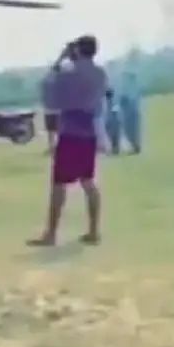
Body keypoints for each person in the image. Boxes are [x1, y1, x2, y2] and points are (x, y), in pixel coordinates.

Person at [29, 35, 107, 247]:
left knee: (59, 184)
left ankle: (51, 233)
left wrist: (59, 60)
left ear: (77, 50)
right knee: (88, 181)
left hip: (70, 131)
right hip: (89, 131)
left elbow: (48, 95)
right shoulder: (100, 74)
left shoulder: (67, 75)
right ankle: (93, 230)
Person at [118, 70, 143, 154]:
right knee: (132, 130)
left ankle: (135, 146)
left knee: (132, 130)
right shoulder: (132, 87)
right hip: (132, 112)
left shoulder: (131, 88)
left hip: (131, 113)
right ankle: (135, 146)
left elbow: (126, 100)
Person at [39, 71, 60, 154]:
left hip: (50, 111)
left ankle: (52, 147)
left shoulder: (46, 84)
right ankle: (55, 147)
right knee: (56, 131)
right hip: (56, 111)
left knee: (51, 131)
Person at [103, 89, 121, 155]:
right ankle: (114, 149)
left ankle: (115, 149)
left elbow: (115, 112)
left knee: (114, 137)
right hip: (112, 122)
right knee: (112, 137)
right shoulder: (107, 103)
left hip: (114, 122)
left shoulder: (112, 102)